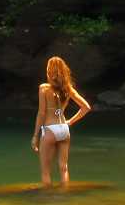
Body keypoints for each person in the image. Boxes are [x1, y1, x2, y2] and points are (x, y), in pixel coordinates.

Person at [31, 55, 92, 188]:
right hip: (64, 129)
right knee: (64, 168)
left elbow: (41, 113)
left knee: (46, 171)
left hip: (50, 130)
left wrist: (35, 136)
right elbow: (86, 107)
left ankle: (48, 198)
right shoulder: (68, 89)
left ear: (49, 71)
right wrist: (69, 122)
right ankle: (65, 196)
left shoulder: (44, 88)